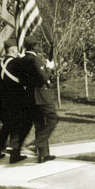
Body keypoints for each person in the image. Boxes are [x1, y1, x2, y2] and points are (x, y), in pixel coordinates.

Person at [20, 35, 58, 163]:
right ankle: (38, 143)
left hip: (29, 96)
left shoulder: (22, 59)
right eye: (37, 45)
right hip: (41, 94)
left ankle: (43, 155)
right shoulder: (35, 59)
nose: (38, 47)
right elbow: (43, 78)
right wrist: (49, 67)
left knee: (40, 125)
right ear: (33, 46)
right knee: (53, 118)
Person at [0, 38, 28, 164]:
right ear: (13, 50)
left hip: (4, 99)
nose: (17, 51)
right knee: (16, 126)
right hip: (17, 99)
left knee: (9, 125)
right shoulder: (16, 63)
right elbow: (25, 77)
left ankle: (5, 148)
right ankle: (15, 154)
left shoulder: (0, 63)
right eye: (16, 49)